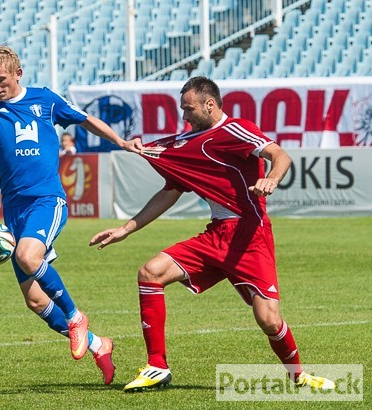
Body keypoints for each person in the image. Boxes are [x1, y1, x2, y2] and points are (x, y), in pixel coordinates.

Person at [90, 77, 335, 392]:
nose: (185, 116)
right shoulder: (186, 143)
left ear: (210, 104)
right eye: (182, 110)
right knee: (150, 273)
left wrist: (271, 179)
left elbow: (280, 155)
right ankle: (157, 366)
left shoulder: (235, 130)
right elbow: (170, 191)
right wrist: (126, 228)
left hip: (249, 236)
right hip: (216, 234)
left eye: (189, 109)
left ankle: (298, 376)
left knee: (269, 320)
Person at [0, 45, 143, 384]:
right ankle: (99, 344)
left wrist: (121, 141)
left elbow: (87, 121)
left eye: (1, 80)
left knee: (28, 256)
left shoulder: (46, 100)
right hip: (14, 211)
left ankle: (75, 316)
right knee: (34, 300)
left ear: (18, 74)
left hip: (47, 201)